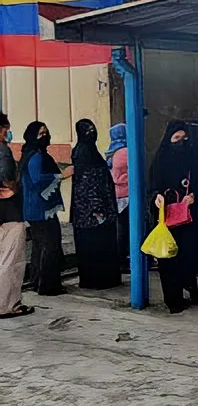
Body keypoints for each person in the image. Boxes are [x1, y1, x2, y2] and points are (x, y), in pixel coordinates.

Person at [149, 120, 198, 313]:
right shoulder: (160, 160)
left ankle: (190, 286)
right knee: (169, 259)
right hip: (168, 219)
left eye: (184, 138)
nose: (181, 142)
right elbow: (153, 185)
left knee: (189, 255)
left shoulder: (193, 159)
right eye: (176, 138)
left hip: (189, 219)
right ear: (168, 139)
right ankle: (173, 300)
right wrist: (156, 196)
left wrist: (194, 197)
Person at [20, 121, 72, 296]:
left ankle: (37, 280)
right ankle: (48, 285)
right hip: (41, 209)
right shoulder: (36, 157)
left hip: (35, 208)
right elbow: (38, 180)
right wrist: (62, 175)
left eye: (46, 132)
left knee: (39, 246)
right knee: (50, 246)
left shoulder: (30, 154)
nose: (45, 136)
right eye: (41, 133)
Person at [71, 119, 121, 290]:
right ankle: (99, 280)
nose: (92, 134)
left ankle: (98, 279)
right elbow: (88, 184)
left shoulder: (87, 151)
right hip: (93, 213)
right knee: (97, 247)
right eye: (88, 131)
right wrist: (97, 210)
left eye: (93, 129)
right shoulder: (85, 153)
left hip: (91, 212)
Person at [0, 112, 34, 318]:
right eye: (5, 129)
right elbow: (6, 179)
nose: (7, 133)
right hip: (9, 213)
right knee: (10, 260)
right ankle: (7, 305)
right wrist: (11, 187)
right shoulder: (3, 151)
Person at [106, 123, 130, 270]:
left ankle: (120, 256)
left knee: (120, 226)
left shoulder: (111, 150)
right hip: (127, 193)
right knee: (126, 227)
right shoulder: (125, 151)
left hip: (116, 194)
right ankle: (123, 257)